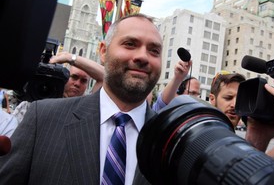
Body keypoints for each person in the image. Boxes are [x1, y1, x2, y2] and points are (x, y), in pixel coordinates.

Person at [0, 14, 163, 185]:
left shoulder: (173, 140)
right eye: (130, 44)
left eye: (154, 50)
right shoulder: (42, 118)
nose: (143, 57)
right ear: (103, 51)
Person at [11, 65, 91, 124]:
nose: (77, 83)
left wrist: (70, 57)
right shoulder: (31, 104)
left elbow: (101, 76)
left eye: (83, 81)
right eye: (74, 77)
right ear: (64, 78)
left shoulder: (84, 113)